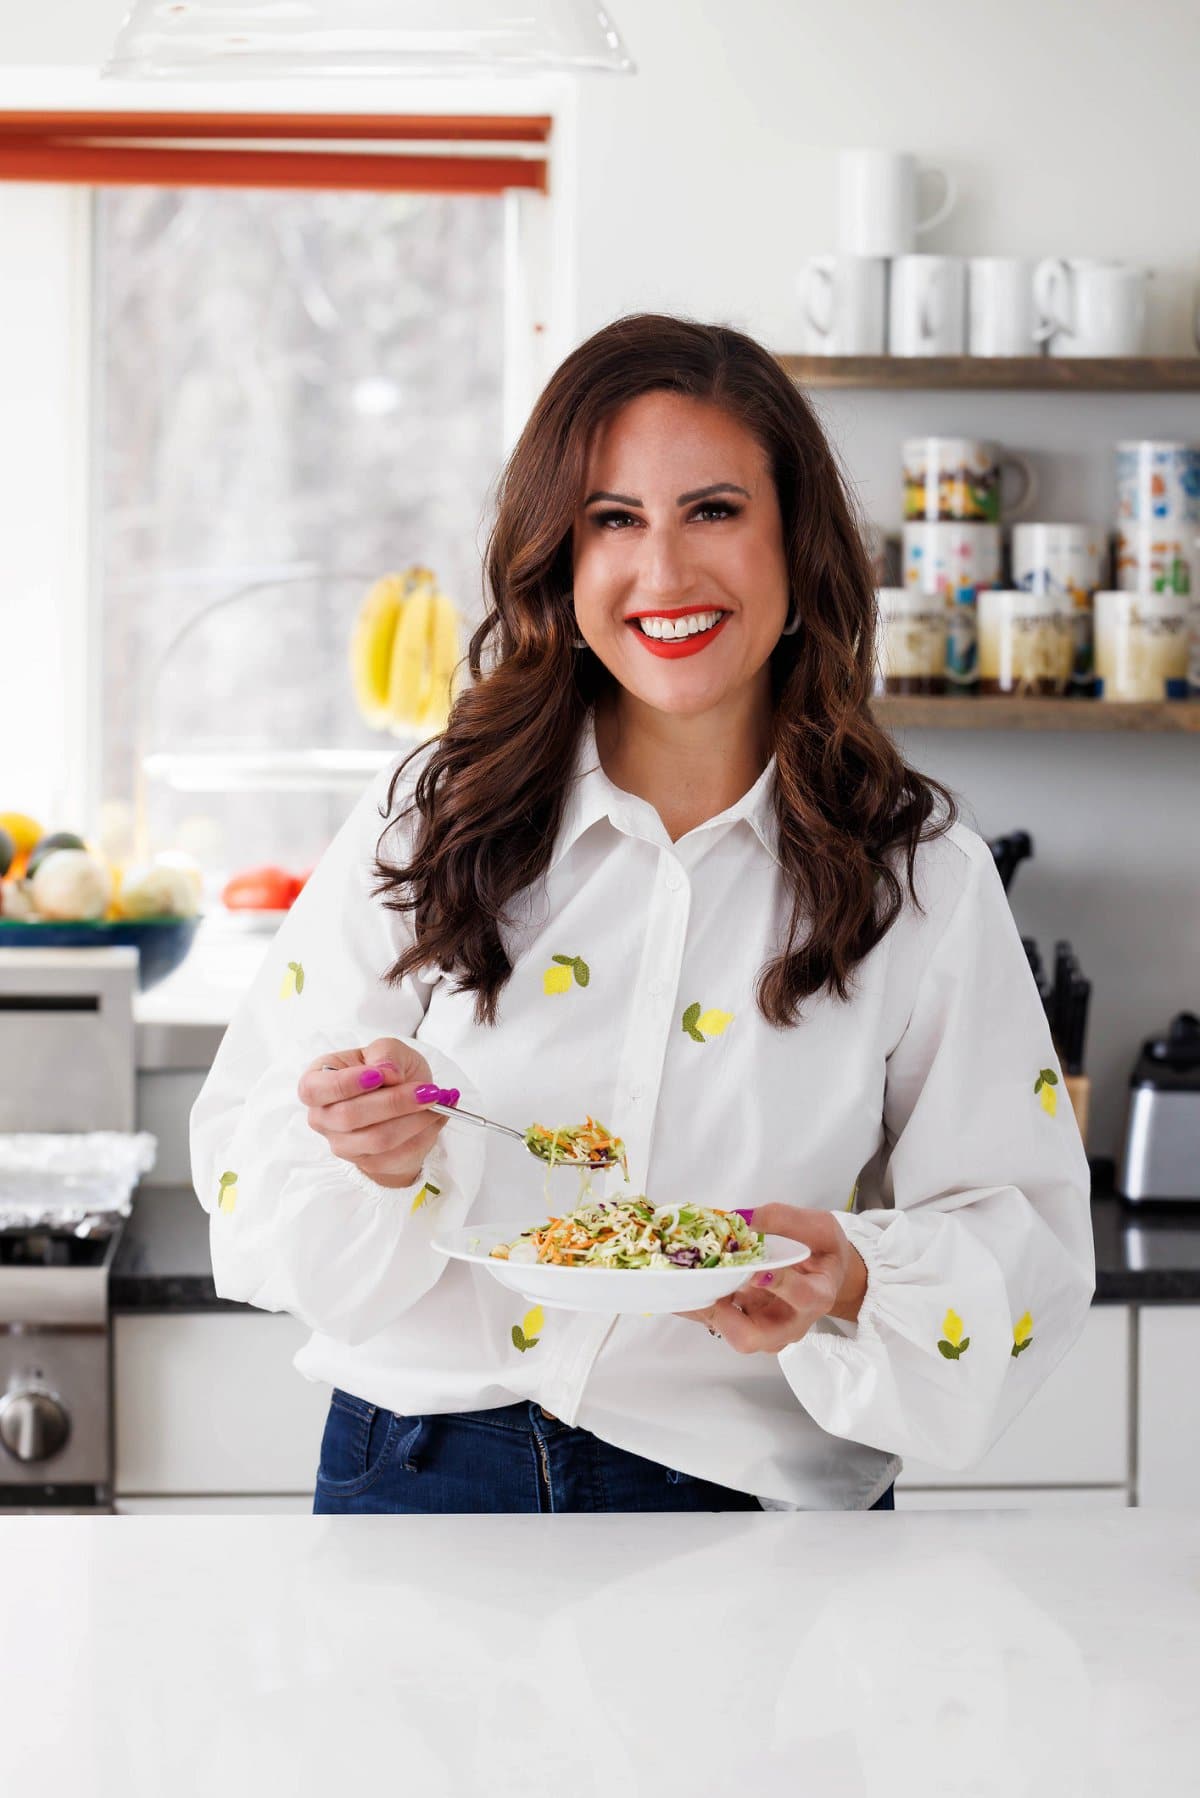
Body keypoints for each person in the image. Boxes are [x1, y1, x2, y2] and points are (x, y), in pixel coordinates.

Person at [190, 312, 1095, 1515]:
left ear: (797, 545)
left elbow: (1025, 1238)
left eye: (712, 510)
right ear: (560, 560)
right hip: (424, 1471)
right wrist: (366, 1149)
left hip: (745, 1496)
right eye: (614, 519)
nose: (663, 575)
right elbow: (252, 1160)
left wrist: (852, 1275)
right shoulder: (433, 813)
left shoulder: (917, 875)